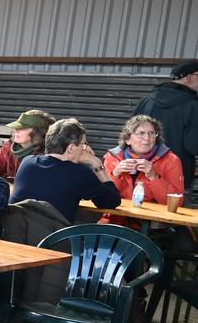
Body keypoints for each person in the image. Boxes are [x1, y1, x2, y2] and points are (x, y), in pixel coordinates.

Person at [11, 118, 121, 223]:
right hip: (51, 235)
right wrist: (96, 163)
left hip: (14, 231)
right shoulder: (80, 173)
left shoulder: (27, 162)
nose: (84, 149)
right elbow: (112, 201)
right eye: (83, 144)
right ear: (71, 148)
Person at [101, 115, 184, 225]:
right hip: (115, 218)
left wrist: (153, 177)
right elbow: (102, 197)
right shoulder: (112, 158)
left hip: (152, 222)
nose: (147, 138)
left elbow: (177, 203)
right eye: (141, 133)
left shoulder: (171, 160)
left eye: (151, 133)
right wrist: (115, 174)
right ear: (128, 139)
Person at [133, 60, 198, 194]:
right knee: (174, 206)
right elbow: (193, 146)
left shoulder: (146, 101)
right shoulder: (193, 106)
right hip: (177, 176)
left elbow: (130, 135)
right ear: (189, 77)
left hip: (142, 172)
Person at [0, 110, 53, 180]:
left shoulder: (48, 154)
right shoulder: (9, 147)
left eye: (23, 128)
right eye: (16, 127)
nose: (16, 130)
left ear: (38, 133)